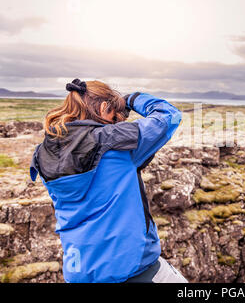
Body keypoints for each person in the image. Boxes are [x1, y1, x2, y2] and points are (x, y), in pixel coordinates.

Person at [30, 79, 187, 283]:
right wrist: (131, 99)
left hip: (78, 273)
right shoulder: (115, 141)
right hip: (133, 270)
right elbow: (169, 115)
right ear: (104, 107)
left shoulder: (44, 151)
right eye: (114, 116)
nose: (117, 122)